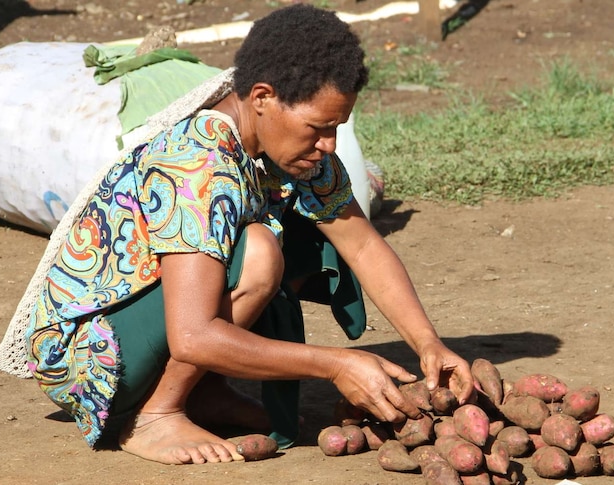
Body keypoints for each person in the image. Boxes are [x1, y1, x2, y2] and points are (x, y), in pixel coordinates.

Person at [23, 4, 474, 465]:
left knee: (304, 239)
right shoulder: (198, 165)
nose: (330, 145)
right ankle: (156, 413)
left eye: (336, 129)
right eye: (318, 128)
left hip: (154, 325)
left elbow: (361, 243)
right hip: (86, 358)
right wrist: (335, 364)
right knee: (259, 250)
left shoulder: (296, 155)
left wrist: (428, 343)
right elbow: (193, 336)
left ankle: (204, 391)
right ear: (261, 97)